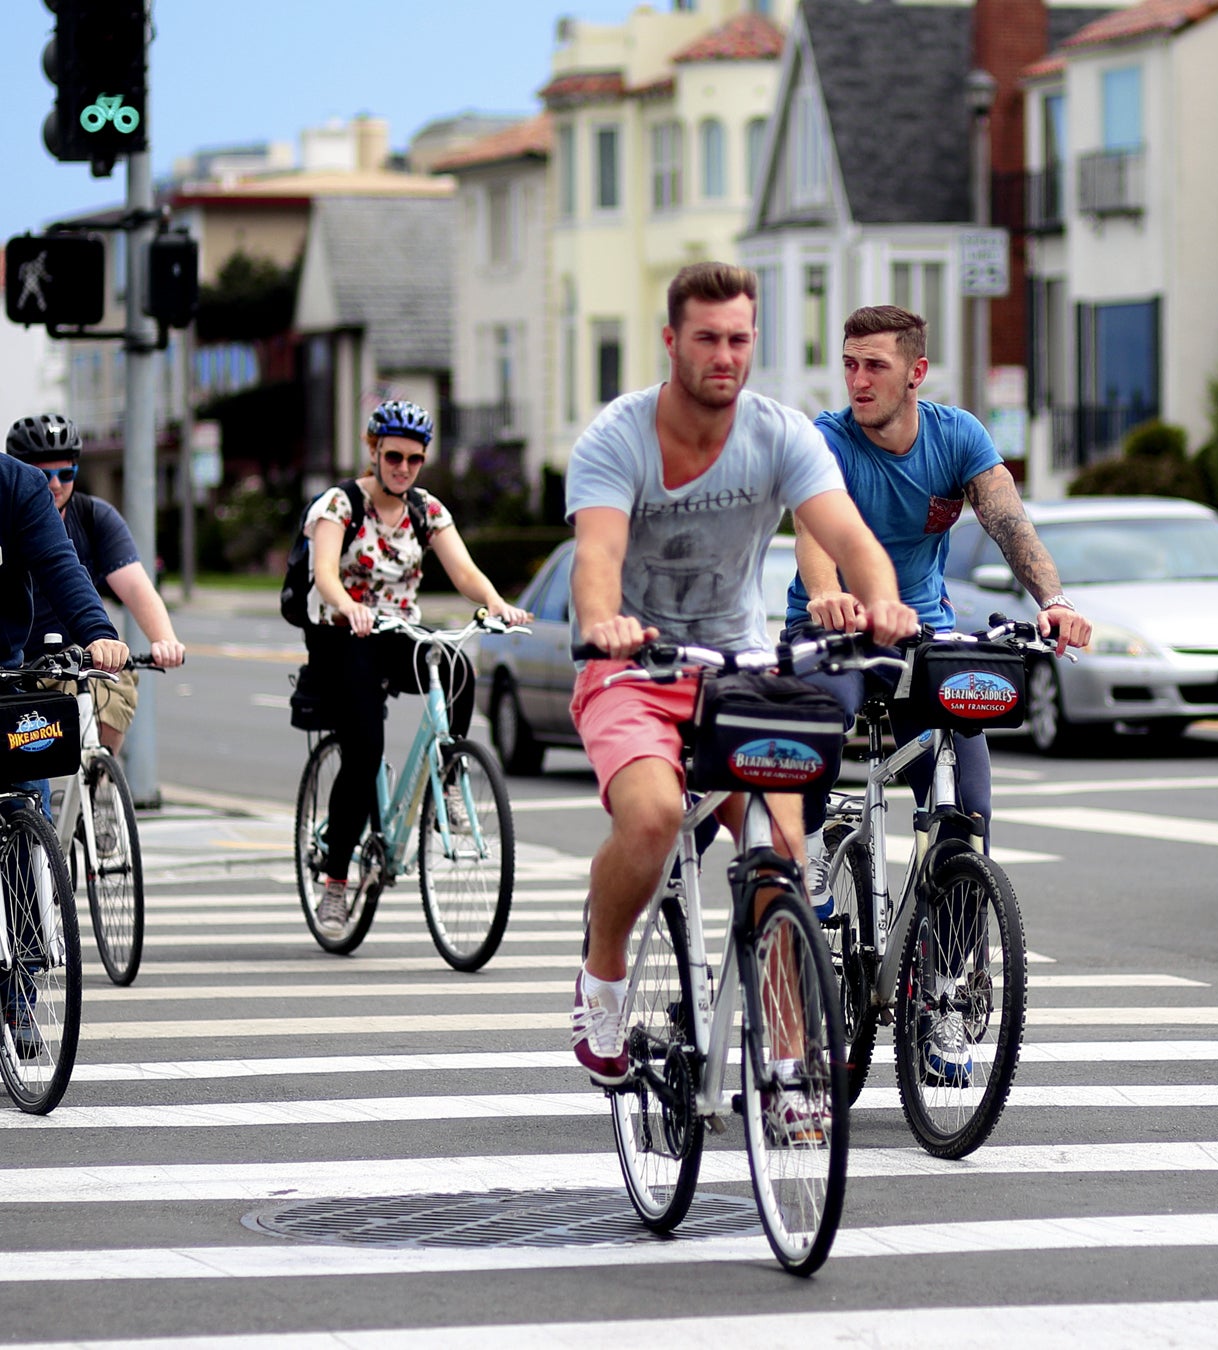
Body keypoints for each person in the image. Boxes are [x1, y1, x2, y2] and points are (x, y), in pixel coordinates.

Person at [567, 261, 913, 1087]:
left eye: (740, 339)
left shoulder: (779, 433)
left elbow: (852, 538)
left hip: (737, 666)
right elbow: (597, 555)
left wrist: (885, 606)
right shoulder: (618, 437)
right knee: (650, 818)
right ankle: (602, 972)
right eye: (708, 339)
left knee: (781, 852)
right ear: (671, 342)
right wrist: (604, 623)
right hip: (635, 667)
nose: (726, 355)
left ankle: (792, 1066)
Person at [786, 305, 1092, 876]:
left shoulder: (957, 436)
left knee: (967, 807)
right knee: (819, 719)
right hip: (834, 629)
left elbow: (1012, 527)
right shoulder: (825, 441)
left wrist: (1054, 603)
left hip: (921, 634)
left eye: (874, 365)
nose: (857, 381)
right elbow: (812, 534)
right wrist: (826, 594)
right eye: (849, 364)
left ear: (915, 372)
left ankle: (948, 952)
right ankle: (809, 848)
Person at [301, 399, 532, 931]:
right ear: (374, 452)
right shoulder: (340, 505)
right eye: (393, 457)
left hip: (398, 632)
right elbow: (325, 574)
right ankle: (336, 883)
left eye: (414, 460)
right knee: (364, 752)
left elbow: (464, 570)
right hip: (345, 634)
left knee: (456, 665)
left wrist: (495, 603)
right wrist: (349, 605)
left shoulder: (426, 510)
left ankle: (448, 778)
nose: (403, 468)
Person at [0, 415, 127, 1060]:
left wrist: (97, 631)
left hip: (9, 676)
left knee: (28, 807)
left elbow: (61, 567)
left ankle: (22, 993)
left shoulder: (18, 487)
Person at [7, 415, 186, 756]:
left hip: (83, 656)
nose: (55, 484)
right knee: (27, 760)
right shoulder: (11, 512)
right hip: (22, 662)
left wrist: (164, 638)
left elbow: (135, 586)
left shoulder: (94, 517)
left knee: (112, 706)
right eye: (43, 475)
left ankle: (98, 793)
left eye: (66, 474)